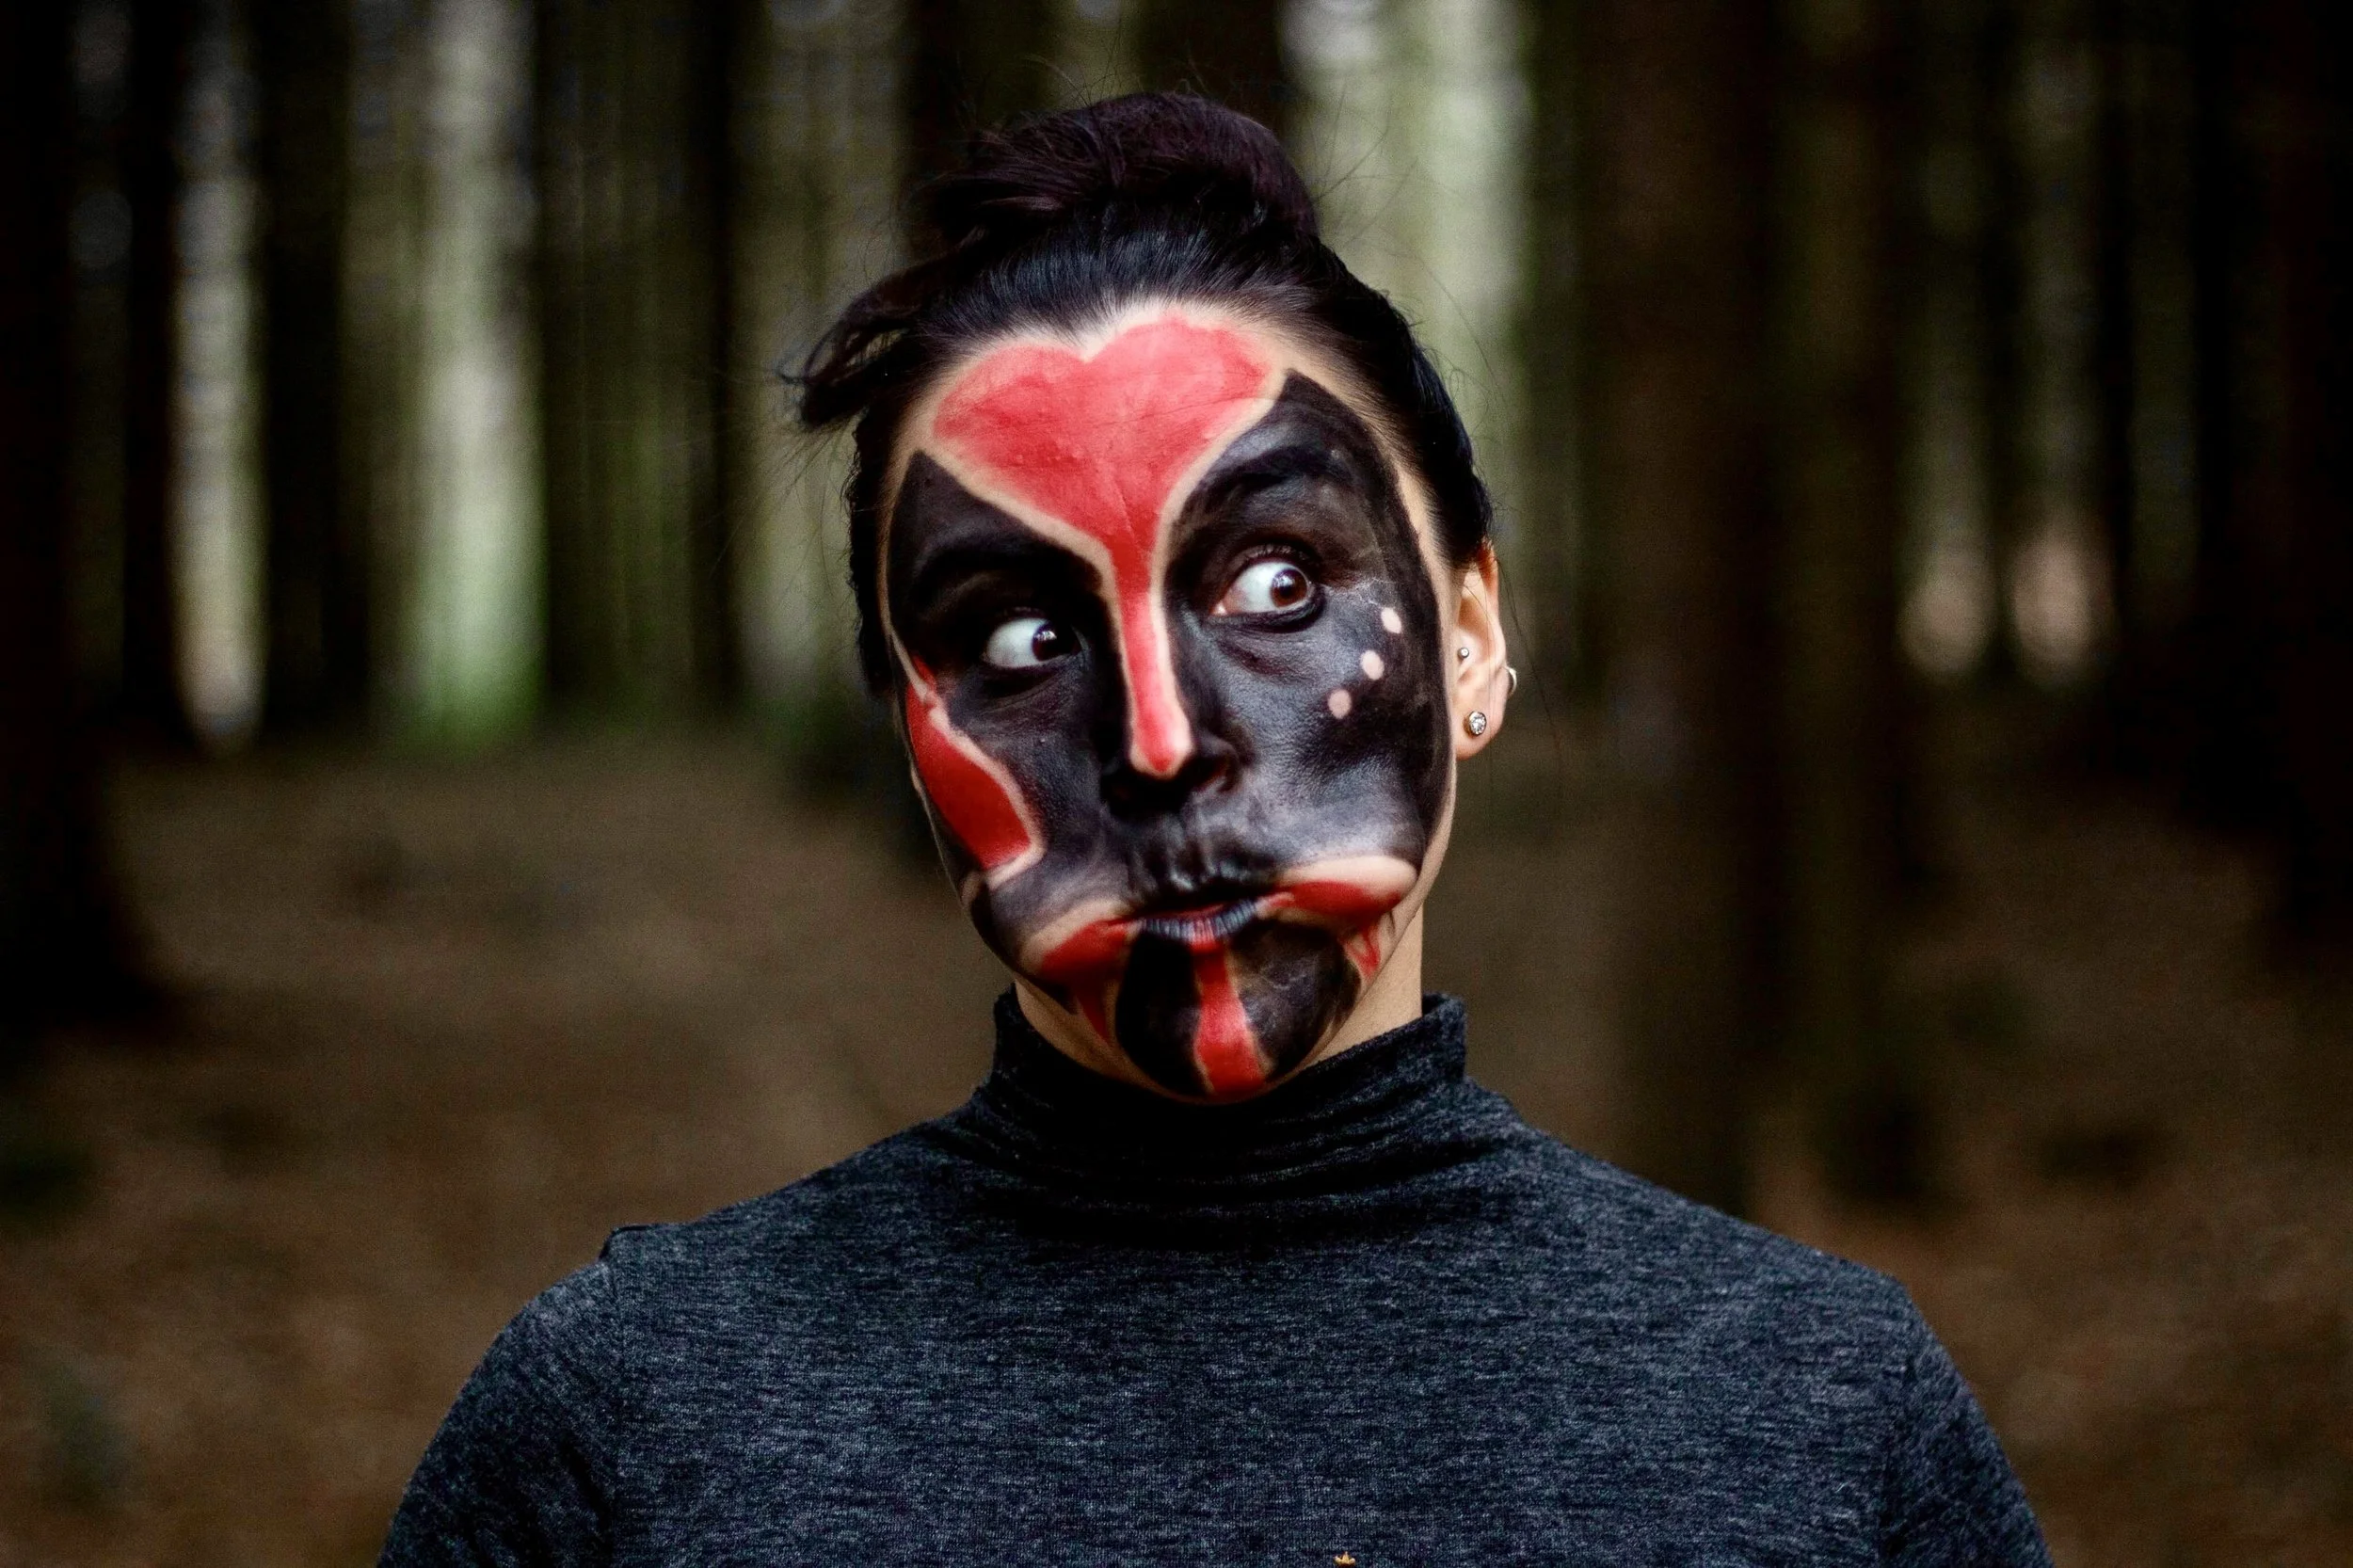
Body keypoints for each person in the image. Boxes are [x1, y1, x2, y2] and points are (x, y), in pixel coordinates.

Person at [381, 93, 2050, 1565]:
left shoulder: (1824, 1421)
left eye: (1276, 581)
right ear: (913, 736)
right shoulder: (625, 1433)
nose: (1161, 747)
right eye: (1022, 643)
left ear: (1471, 631)